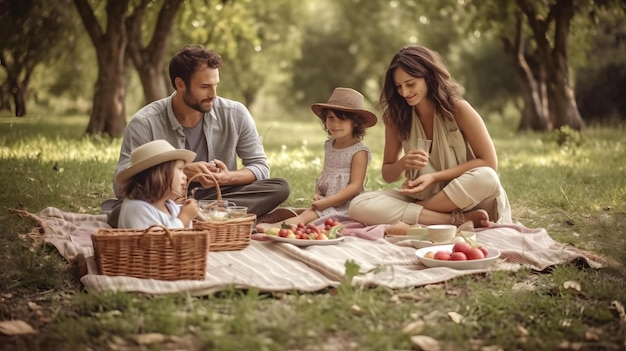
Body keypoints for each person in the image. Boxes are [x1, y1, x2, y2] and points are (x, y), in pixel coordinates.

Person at [104, 45, 291, 228]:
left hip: (218, 195)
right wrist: (181, 172)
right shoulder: (145, 123)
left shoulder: (236, 114)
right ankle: (231, 219)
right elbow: (122, 187)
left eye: (215, 85)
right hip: (164, 202)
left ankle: (197, 218)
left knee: (279, 187)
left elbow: (260, 168)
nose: (213, 95)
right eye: (204, 87)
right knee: (120, 213)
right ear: (180, 84)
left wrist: (226, 178)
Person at [347, 45, 512, 234]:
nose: (404, 93)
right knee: (358, 205)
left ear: (429, 77)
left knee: (488, 177)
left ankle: (421, 215)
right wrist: (402, 164)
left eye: (410, 84)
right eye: (398, 86)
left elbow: (489, 163)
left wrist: (434, 177)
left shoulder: (458, 109)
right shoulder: (396, 117)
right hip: (422, 197)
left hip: (469, 198)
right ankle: (455, 221)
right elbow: (388, 174)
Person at [256, 87, 377, 232]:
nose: (335, 124)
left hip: (348, 204)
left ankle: (277, 227)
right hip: (327, 200)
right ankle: (282, 222)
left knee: (308, 215)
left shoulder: (359, 152)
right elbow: (324, 176)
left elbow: (355, 187)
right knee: (310, 213)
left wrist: (326, 202)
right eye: (331, 118)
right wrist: (318, 194)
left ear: (355, 123)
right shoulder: (329, 145)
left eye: (342, 119)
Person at [116, 139, 199, 229]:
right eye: (179, 169)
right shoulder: (136, 208)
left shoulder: (170, 206)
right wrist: (185, 217)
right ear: (159, 175)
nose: (185, 176)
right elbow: (159, 240)